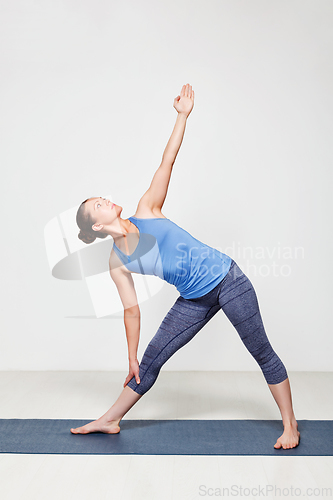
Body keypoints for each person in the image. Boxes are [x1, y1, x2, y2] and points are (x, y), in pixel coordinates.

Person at [72, 84, 300, 450]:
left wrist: (181, 116)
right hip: (193, 299)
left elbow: (167, 161)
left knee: (261, 351)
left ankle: (291, 426)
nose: (104, 200)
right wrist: (130, 356)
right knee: (149, 360)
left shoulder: (147, 208)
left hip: (227, 279)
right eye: (97, 205)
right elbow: (131, 311)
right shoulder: (118, 261)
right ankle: (109, 419)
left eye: (101, 198)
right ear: (97, 226)